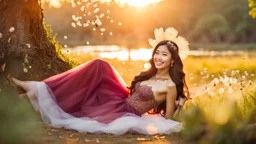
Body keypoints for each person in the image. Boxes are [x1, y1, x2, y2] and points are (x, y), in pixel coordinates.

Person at [8, 27, 190, 135]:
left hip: (123, 112)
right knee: (99, 65)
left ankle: (34, 94)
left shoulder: (170, 86)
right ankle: (38, 88)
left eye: (164, 55)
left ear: (172, 60)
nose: (158, 57)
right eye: (157, 53)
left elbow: (167, 119)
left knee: (80, 112)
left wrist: (180, 104)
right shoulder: (150, 74)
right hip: (119, 99)